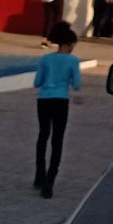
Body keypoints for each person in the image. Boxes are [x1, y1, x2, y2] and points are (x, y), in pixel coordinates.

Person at [34, 20, 81, 199]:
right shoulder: (73, 61)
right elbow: (77, 85)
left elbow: (37, 82)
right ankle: (50, 180)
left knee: (43, 135)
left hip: (43, 100)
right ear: (69, 44)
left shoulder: (45, 59)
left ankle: (39, 175)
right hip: (61, 100)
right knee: (57, 139)